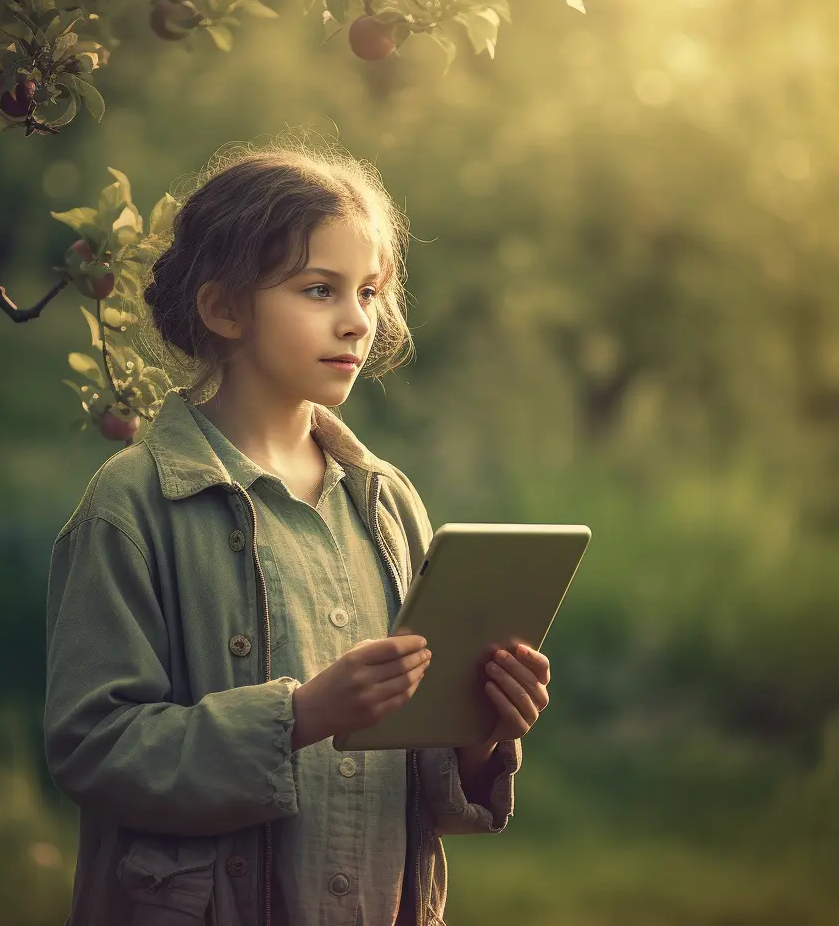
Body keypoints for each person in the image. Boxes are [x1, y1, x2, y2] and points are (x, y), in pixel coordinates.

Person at [43, 140, 553, 926]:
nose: (357, 320)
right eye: (320, 289)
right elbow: (93, 749)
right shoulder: (133, 503)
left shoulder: (388, 504)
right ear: (224, 309)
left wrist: (480, 735)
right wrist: (301, 716)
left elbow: (423, 791)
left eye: (369, 292)